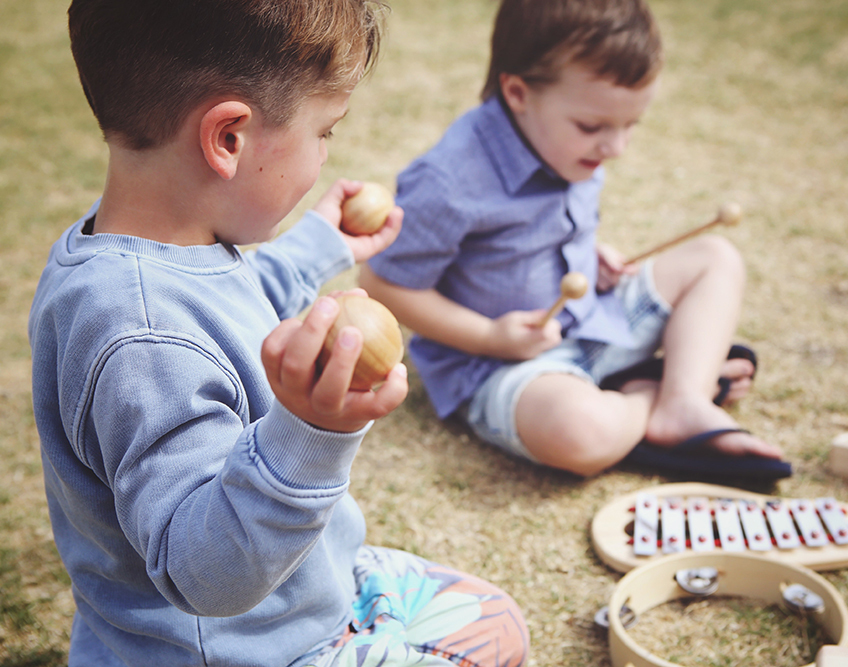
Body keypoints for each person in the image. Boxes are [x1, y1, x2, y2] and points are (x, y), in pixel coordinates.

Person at [28, 1, 529, 666]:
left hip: (295, 596)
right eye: (324, 131)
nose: (325, 153)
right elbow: (206, 574)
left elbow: (225, 298)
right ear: (228, 138)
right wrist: (311, 431)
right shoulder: (141, 338)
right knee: (494, 647)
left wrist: (317, 246)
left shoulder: (154, 236)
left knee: (495, 619)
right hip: (243, 648)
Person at [361, 0, 792, 481]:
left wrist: (594, 257)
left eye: (630, 125)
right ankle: (647, 391)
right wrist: (491, 338)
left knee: (716, 257)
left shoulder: (569, 145)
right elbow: (382, 284)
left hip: (594, 322)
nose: (616, 148)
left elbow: (557, 231)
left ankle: (683, 401)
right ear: (519, 92)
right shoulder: (449, 181)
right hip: (504, 368)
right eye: (593, 127)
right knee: (578, 431)